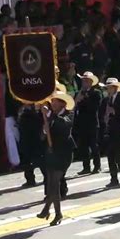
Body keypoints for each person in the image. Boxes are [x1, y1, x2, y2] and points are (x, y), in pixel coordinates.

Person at [36, 90, 76, 226]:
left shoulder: (68, 114)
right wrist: (44, 131)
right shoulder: (50, 116)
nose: (52, 103)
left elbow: (63, 126)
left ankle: (53, 211)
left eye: (55, 101)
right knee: (52, 183)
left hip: (64, 153)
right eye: (52, 101)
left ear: (62, 103)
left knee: (54, 182)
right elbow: (42, 137)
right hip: (51, 152)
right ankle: (51, 211)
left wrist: (48, 114)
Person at [99, 78, 120, 187]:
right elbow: (101, 115)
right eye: (107, 87)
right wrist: (105, 118)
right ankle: (113, 178)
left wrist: (115, 112)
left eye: (110, 87)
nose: (108, 89)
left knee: (118, 154)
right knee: (110, 155)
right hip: (109, 130)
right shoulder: (105, 101)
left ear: (115, 88)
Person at [74, 72, 102, 175]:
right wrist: (78, 99)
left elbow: (94, 107)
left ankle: (97, 166)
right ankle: (86, 167)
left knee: (93, 145)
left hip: (92, 122)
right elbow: (74, 105)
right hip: (81, 123)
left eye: (86, 81)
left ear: (91, 82)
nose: (84, 83)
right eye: (83, 81)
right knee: (83, 145)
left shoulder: (96, 93)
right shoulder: (79, 93)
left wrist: (85, 99)